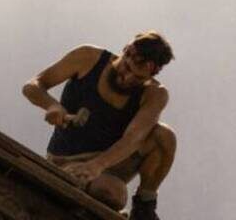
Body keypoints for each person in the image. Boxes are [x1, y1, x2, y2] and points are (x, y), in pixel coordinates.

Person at [21, 32, 177, 220]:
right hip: (67, 160)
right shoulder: (88, 58)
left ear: (151, 73)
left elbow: (133, 139)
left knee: (164, 136)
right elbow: (32, 86)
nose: (127, 78)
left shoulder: (154, 94)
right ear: (126, 51)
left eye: (137, 77)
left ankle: (144, 205)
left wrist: (97, 165)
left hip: (110, 160)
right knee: (112, 193)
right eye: (127, 68)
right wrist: (52, 105)